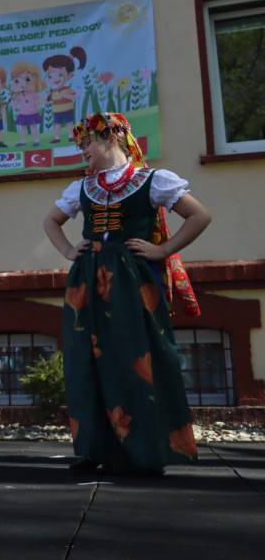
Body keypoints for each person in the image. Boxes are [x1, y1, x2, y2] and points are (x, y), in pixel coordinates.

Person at [43, 113, 210, 474]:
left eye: (87, 141)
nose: (83, 149)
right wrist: (70, 252)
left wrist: (163, 250)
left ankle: (148, 451)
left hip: (133, 279)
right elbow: (50, 222)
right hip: (87, 280)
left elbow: (199, 216)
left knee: (138, 358)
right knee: (86, 361)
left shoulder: (152, 181)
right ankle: (96, 448)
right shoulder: (83, 187)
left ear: (111, 138)